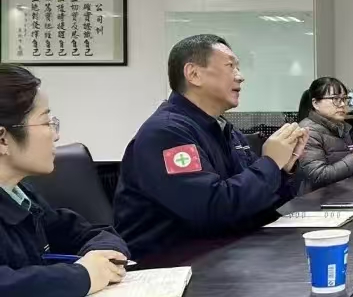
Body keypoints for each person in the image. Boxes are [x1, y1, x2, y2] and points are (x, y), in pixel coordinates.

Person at [113, 35, 308, 258]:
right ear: (194, 74)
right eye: (230, 66)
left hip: (224, 253)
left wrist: (282, 169)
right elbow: (212, 209)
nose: (240, 76)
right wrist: (270, 163)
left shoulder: (225, 129)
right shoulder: (166, 133)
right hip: (171, 264)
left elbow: (252, 202)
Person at [0, 65, 129, 297]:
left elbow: (87, 232)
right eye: (46, 122)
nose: (56, 135)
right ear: (3, 139)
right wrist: (83, 276)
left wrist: (104, 257)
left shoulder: (20, 194)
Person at [296, 77, 353, 194]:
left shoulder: (340, 127)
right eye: (335, 99)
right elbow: (318, 176)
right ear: (315, 103)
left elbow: (345, 169)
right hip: (315, 200)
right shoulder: (308, 131)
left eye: (344, 99)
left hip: (339, 194)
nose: (342, 104)